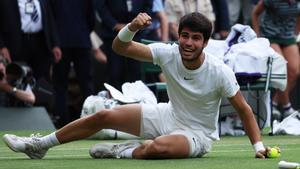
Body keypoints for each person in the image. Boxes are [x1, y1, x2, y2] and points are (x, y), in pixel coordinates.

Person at [3, 12, 269, 159]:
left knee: (158, 148)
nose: (188, 43)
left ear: (205, 43)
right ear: (179, 36)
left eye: (196, 38)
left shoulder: (219, 71)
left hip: (197, 136)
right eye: (185, 36)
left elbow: (245, 110)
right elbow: (121, 47)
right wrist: (131, 27)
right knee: (104, 115)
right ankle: (39, 145)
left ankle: (123, 151)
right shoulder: (168, 52)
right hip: (166, 115)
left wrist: (258, 147)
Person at [50, 0, 95, 127]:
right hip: (82, 40)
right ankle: (92, 121)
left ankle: (61, 123)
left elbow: (50, 18)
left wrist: (54, 41)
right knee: (86, 84)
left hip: (60, 42)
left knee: (60, 85)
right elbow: (91, 19)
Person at [252, 0, 300, 119]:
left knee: (295, 71)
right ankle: (287, 107)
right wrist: (257, 34)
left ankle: (274, 103)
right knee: (282, 66)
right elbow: (255, 13)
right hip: (270, 36)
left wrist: (296, 31)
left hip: (288, 36)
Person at [0, 0, 61, 81]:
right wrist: (2, 47)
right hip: (18, 44)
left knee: (39, 79)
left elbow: (49, 19)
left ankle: (36, 92)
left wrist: (55, 44)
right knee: (17, 79)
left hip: (40, 42)